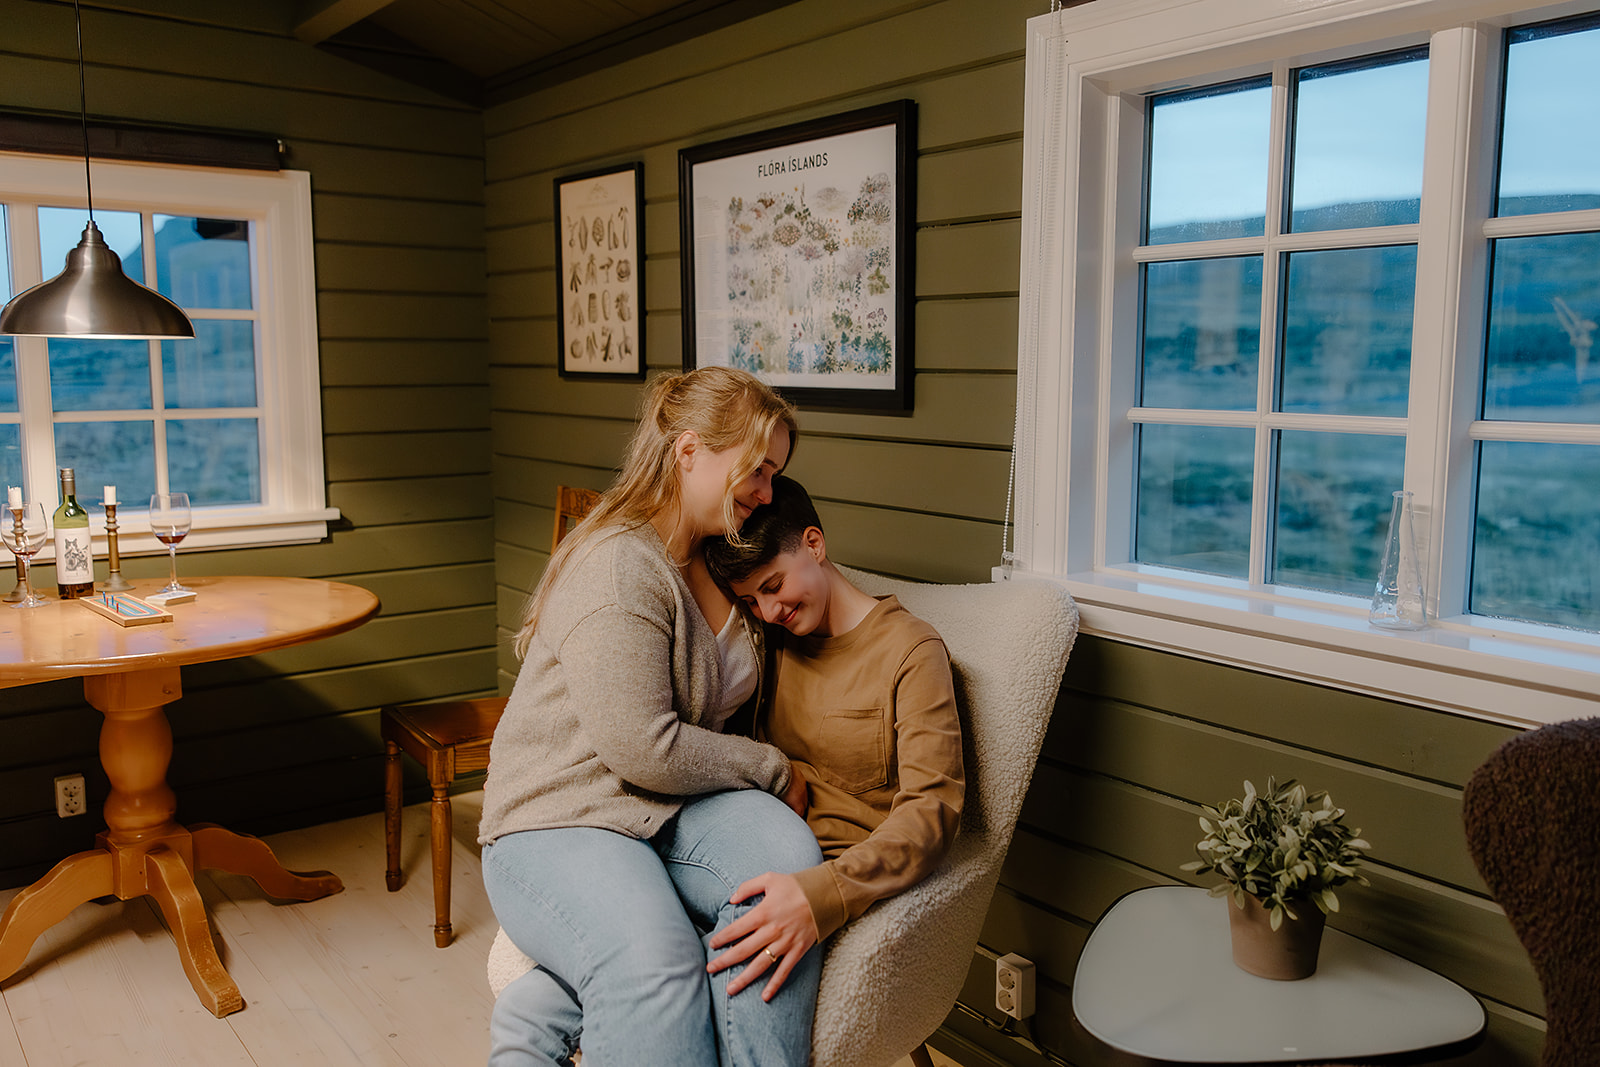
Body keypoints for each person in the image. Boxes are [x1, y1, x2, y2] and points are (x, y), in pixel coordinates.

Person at [478, 367, 823, 1067]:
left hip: (668, 806)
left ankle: (545, 1006)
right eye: (758, 469)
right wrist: (771, 768)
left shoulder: (720, 555)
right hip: (562, 816)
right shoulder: (618, 565)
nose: (767, 491)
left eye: (775, 473)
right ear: (689, 451)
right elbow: (644, 746)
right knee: (655, 964)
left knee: (785, 869)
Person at [701, 474, 965, 996]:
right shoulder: (769, 641)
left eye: (773, 586)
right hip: (741, 849)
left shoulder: (911, 652)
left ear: (814, 545)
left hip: (821, 875)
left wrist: (822, 895)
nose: (769, 612)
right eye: (751, 601)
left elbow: (931, 813)